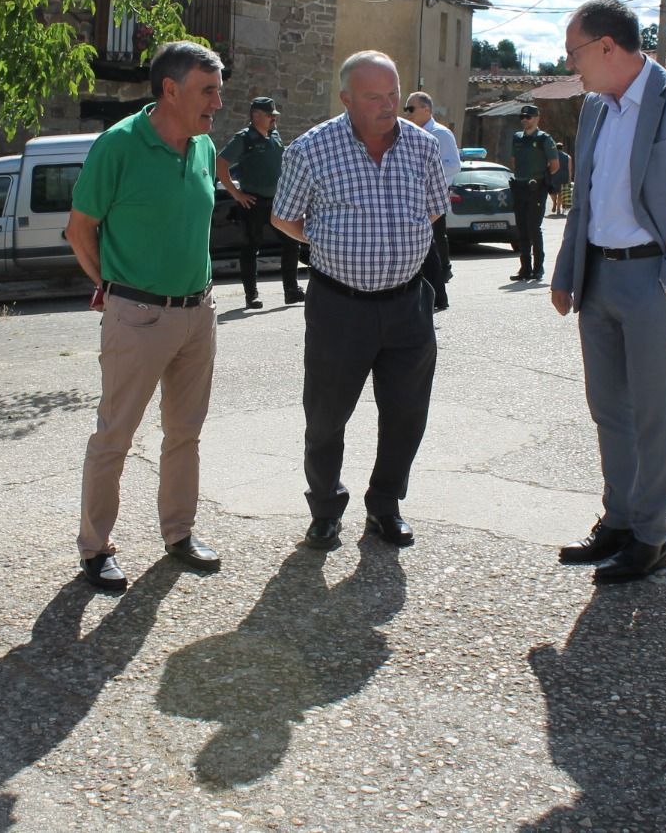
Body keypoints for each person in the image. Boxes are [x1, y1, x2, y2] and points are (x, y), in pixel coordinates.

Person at [549, 0, 666, 583]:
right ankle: (620, 522)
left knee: (652, 413)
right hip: (598, 276)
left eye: (574, 52)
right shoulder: (593, 109)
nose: (570, 65)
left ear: (607, 47)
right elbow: (584, 200)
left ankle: (652, 538)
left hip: (653, 279)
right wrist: (566, 272)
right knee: (609, 410)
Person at [64, 41, 226, 591]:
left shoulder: (203, 146)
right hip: (137, 315)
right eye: (207, 91)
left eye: (218, 91)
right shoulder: (119, 144)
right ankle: (95, 548)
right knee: (115, 436)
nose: (217, 103)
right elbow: (79, 230)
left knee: (185, 433)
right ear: (170, 90)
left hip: (198, 312)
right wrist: (109, 289)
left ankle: (179, 533)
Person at [272, 51, 448, 550]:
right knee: (325, 417)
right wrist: (332, 243)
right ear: (346, 99)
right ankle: (325, 508)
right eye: (374, 97)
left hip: (408, 304)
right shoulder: (311, 149)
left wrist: (395, 246)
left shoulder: (422, 146)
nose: (388, 105)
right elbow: (283, 217)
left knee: (406, 414)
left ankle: (385, 506)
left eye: (394, 94)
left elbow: (434, 210)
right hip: (339, 307)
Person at [216, 96, 303, 309]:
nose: (274, 119)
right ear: (256, 116)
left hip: (277, 201)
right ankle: (251, 296)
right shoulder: (244, 139)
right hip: (253, 202)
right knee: (251, 247)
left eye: (274, 115)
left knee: (292, 241)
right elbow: (220, 163)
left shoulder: (274, 135)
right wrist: (236, 193)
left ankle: (291, 291)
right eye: (270, 115)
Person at [402, 91, 461, 311]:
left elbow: (453, 165)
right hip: (413, 198)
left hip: (432, 198)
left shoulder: (440, 134)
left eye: (411, 109)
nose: (407, 113)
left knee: (429, 248)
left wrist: (428, 179)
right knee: (422, 248)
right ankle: (429, 295)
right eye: (406, 109)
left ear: (426, 109)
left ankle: (437, 296)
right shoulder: (407, 133)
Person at [509, 104, 560, 280]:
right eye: (522, 117)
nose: (525, 120)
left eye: (528, 117)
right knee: (522, 228)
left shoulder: (544, 139)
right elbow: (514, 161)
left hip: (536, 188)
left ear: (537, 118)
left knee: (533, 227)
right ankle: (525, 268)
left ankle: (538, 268)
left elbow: (555, 165)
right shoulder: (517, 138)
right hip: (520, 186)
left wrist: (540, 178)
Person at [549, 142, 573, 216]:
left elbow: (549, 166)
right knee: (560, 193)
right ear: (562, 148)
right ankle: (558, 209)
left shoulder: (552, 156)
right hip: (564, 176)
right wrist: (569, 179)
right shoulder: (568, 157)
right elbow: (569, 169)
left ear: (555, 148)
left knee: (552, 192)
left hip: (554, 175)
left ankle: (554, 202)